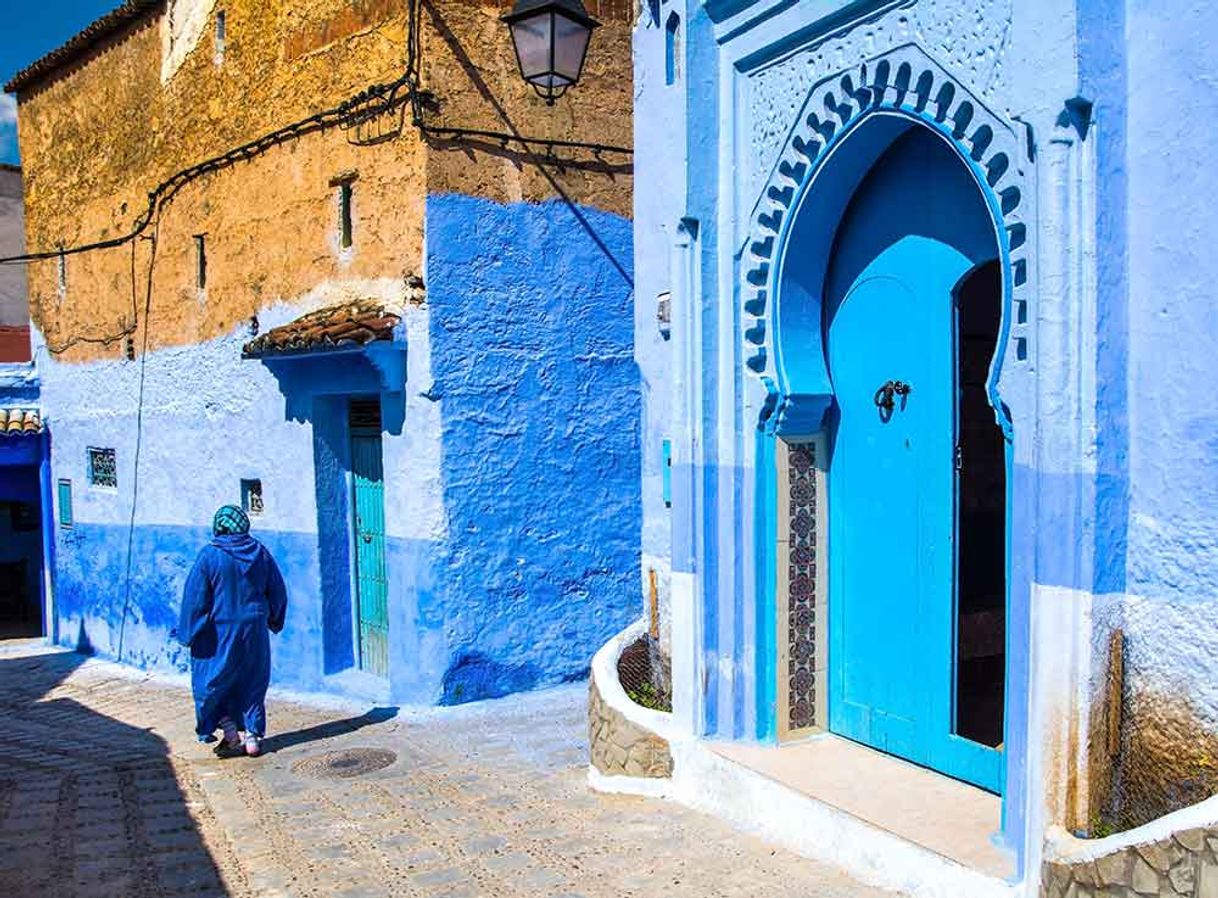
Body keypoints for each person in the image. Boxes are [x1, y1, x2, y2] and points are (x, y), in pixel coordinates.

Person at [178, 504, 288, 758]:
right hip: (255, 630)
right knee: (252, 680)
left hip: (219, 633)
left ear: (220, 526)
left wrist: (188, 632)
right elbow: (277, 589)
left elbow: (195, 598)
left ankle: (228, 730)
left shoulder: (209, 556)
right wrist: (274, 619)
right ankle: (252, 737)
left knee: (212, 682)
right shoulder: (260, 552)